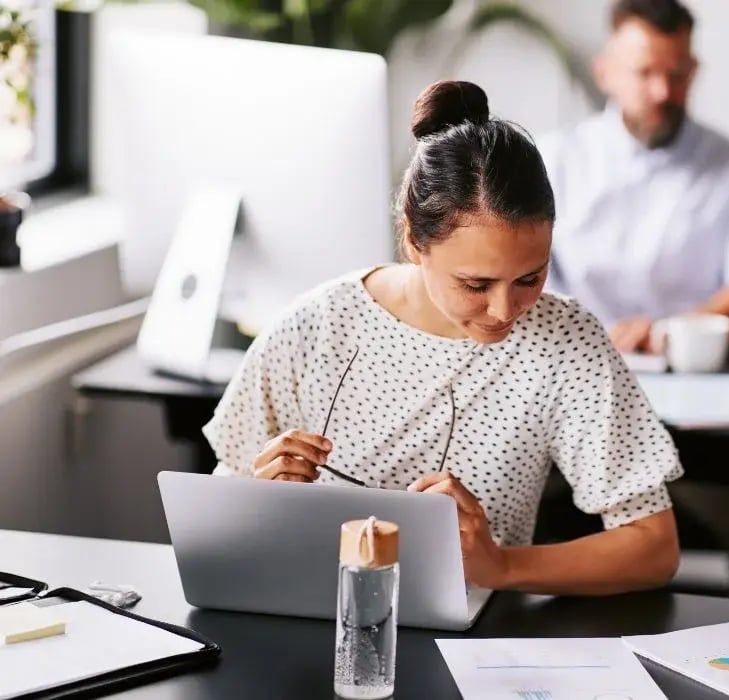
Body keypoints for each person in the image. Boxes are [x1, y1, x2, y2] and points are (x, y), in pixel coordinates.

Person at [202, 80, 683, 596]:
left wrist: (502, 567)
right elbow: (215, 510)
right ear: (413, 240)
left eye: (530, 278)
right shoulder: (315, 325)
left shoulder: (564, 340)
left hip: (472, 638)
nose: (505, 311)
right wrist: (257, 498)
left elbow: (653, 545)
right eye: (475, 284)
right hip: (300, 613)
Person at [538, 0, 729, 602]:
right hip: (570, 411)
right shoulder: (551, 161)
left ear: (694, 69)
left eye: (679, 73)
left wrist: (679, 330)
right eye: (646, 72)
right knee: (493, 496)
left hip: (701, 419)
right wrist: (586, 336)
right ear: (606, 70)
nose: (664, 89)